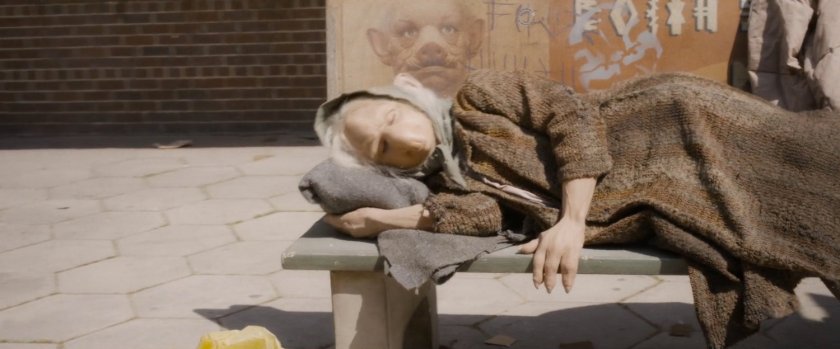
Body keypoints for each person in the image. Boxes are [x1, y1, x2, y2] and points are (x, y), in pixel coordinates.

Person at [313, 70, 840, 347]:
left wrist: (572, 222)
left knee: (811, 169)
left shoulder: (477, 97)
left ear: (404, 101)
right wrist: (380, 219)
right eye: (381, 148)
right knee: (780, 218)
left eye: (389, 118)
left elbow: (572, 117)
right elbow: (483, 220)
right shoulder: (451, 180)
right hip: (658, 185)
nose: (398, 138)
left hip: (668, 120)